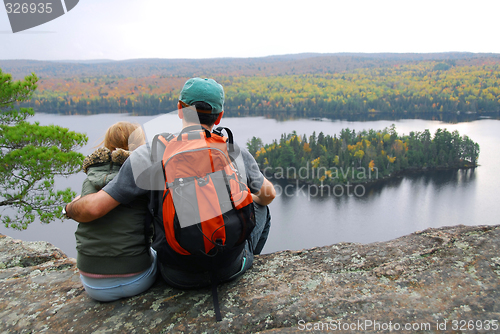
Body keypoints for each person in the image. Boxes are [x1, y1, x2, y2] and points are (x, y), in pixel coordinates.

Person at [64, 78, 275, 290]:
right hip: (231, 268)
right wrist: (243, 195)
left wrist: (69, 207)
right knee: (262, 209)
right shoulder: (232, 150)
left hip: (177, 275)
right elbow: (269, 195)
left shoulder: (149, 154)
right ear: (219, 117)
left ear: (180, 110)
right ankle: (236, 261)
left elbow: (94, 208)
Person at [72, 121, 157, 302]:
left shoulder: (90, 178)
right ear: (139, 145)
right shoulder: (142, 177)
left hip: (93, 285)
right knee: (158, 254)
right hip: (137, 279)